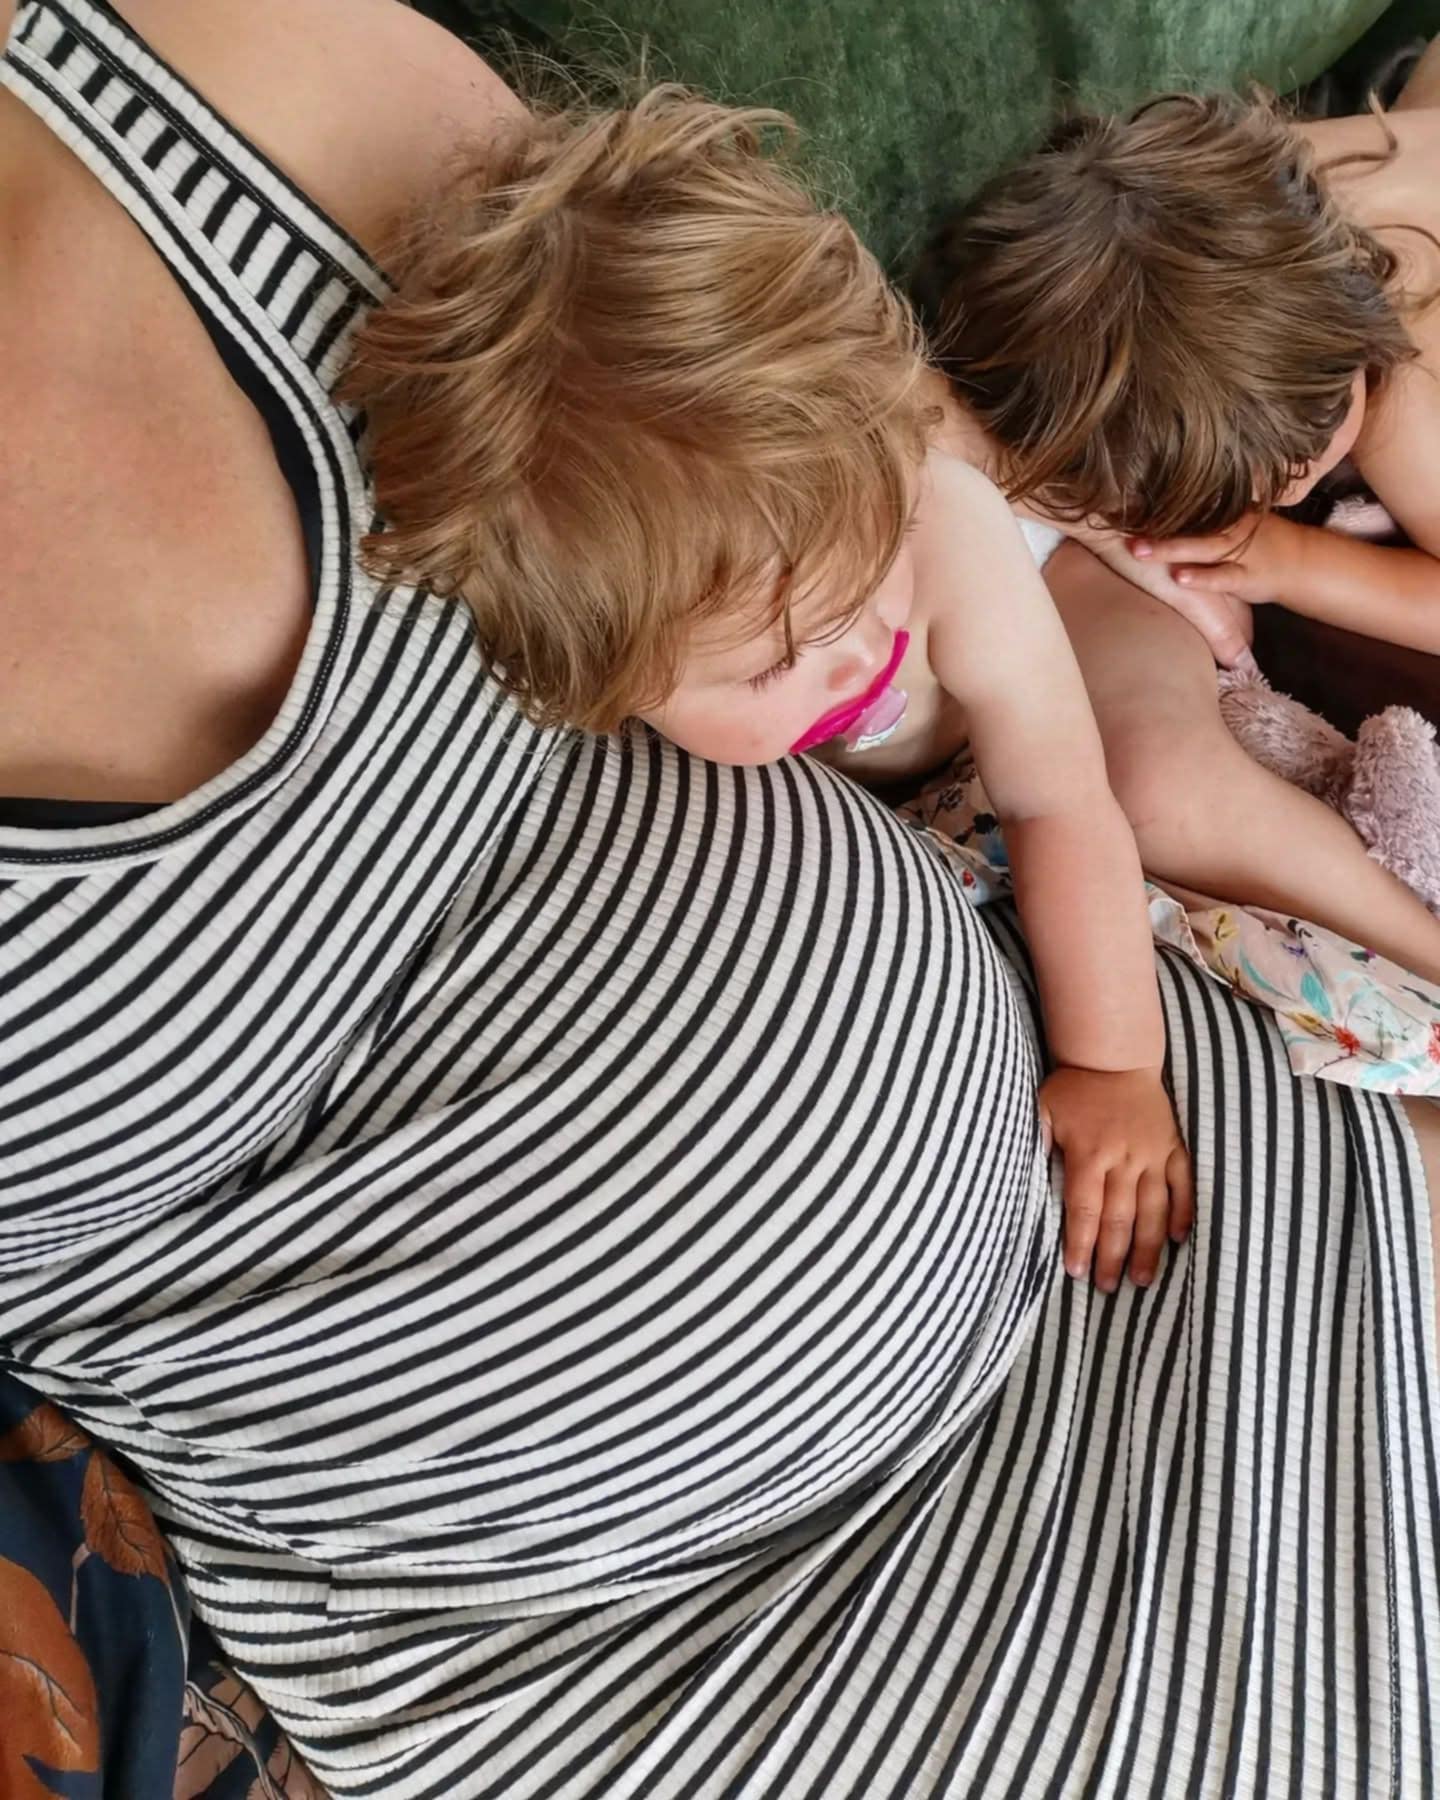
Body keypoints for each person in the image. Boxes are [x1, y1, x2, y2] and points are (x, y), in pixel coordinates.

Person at [0, 6, 1437, 1799]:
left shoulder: (254, 91)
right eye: (767, 658)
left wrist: (1114, 1063)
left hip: (1118, 1183)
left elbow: (1021, 729)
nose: (848, 650)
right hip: (681, 1632)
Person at [917, 75, 1440, 984]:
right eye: (1228, 493)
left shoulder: (1362, 355)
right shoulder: (1074, 398)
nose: (1289, 483)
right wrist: (1111, 530)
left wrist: (1291, 558)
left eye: (1322, 433)